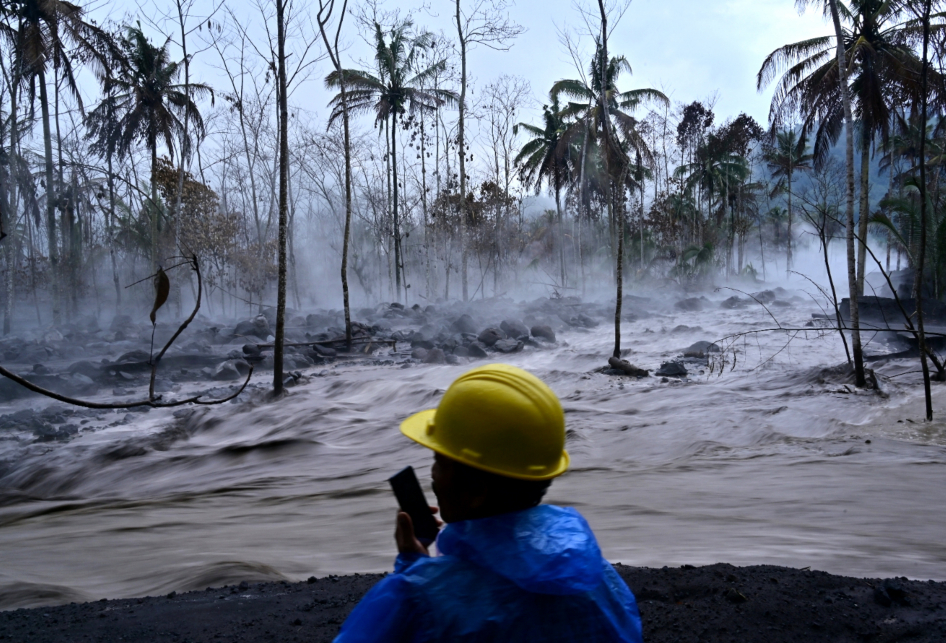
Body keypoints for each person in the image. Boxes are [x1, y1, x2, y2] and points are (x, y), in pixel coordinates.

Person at [334, 363, 643, 643]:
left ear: (475, 490)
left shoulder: (413, 599)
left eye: (439, 461)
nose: (432, 475)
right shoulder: (599, 579)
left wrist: (412, 571)